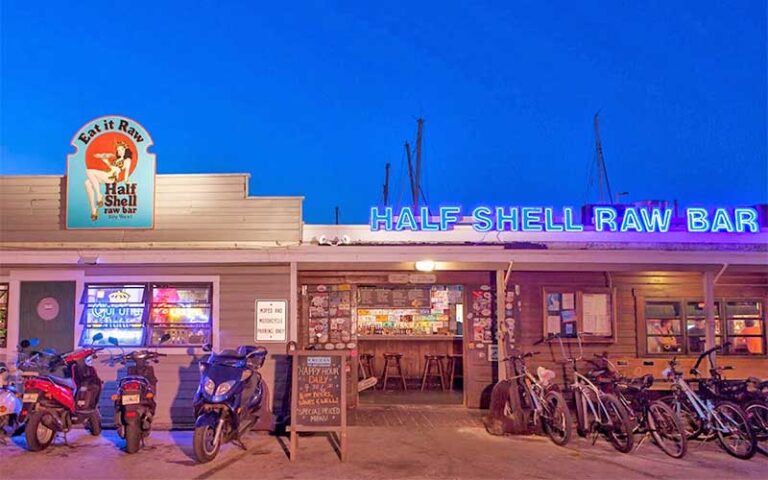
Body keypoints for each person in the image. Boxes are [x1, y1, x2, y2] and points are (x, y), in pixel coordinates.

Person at [84, 141, 133, 221]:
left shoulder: (127, 160)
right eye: (118, 150)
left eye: (122, 149)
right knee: (87, 183)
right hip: (106, 174)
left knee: (89, 171)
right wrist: (106, 161)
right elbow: (111, 167)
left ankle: (99, 195)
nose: (120, 151)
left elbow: (126, 174)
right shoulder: (117, 160)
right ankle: (93, 210)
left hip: (111, 177)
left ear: (125, 149)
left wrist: (127, 181)